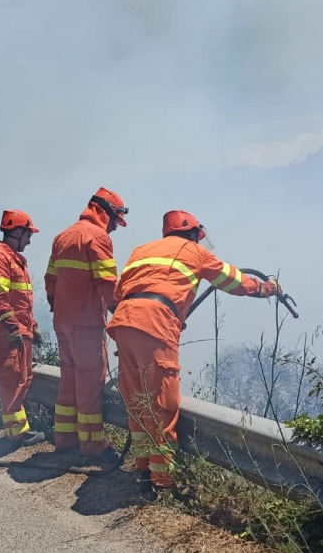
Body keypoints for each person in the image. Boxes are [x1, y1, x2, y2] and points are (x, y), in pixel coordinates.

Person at [107, 209, 280, 498]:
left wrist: (165, 313)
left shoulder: (142, 250)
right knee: (162, 403)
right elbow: (231, 279)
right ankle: (161, 484)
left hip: (124, 322)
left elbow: (120, 294)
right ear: (191, 234)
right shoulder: (193, 251)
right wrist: (264, 288)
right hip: (154, 324)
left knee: (138, 400)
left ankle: (142, 472)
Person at [45, 187, 128, 459]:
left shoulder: (63, 236)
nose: (116, 227)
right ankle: (92, 444)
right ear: (105, 213)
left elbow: (50, 280)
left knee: (69, 377)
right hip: (87, 324)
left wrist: (57, 307)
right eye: (116, 220)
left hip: (63, 321)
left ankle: (64, 439)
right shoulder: (98, 238)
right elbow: (107, 284)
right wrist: (123, 315)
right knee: (91, 380)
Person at [0, 210, 45, 446]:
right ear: (17, 232)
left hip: (19, 332)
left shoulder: (14, 260)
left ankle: (18, 429)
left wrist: (33, 326)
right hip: (7, 334)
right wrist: (12, 329)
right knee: (13, 379)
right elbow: (0, 300)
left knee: (22, 378)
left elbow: (21, 302)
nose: (29, 241)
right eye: (27, 235)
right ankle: (16, 433)